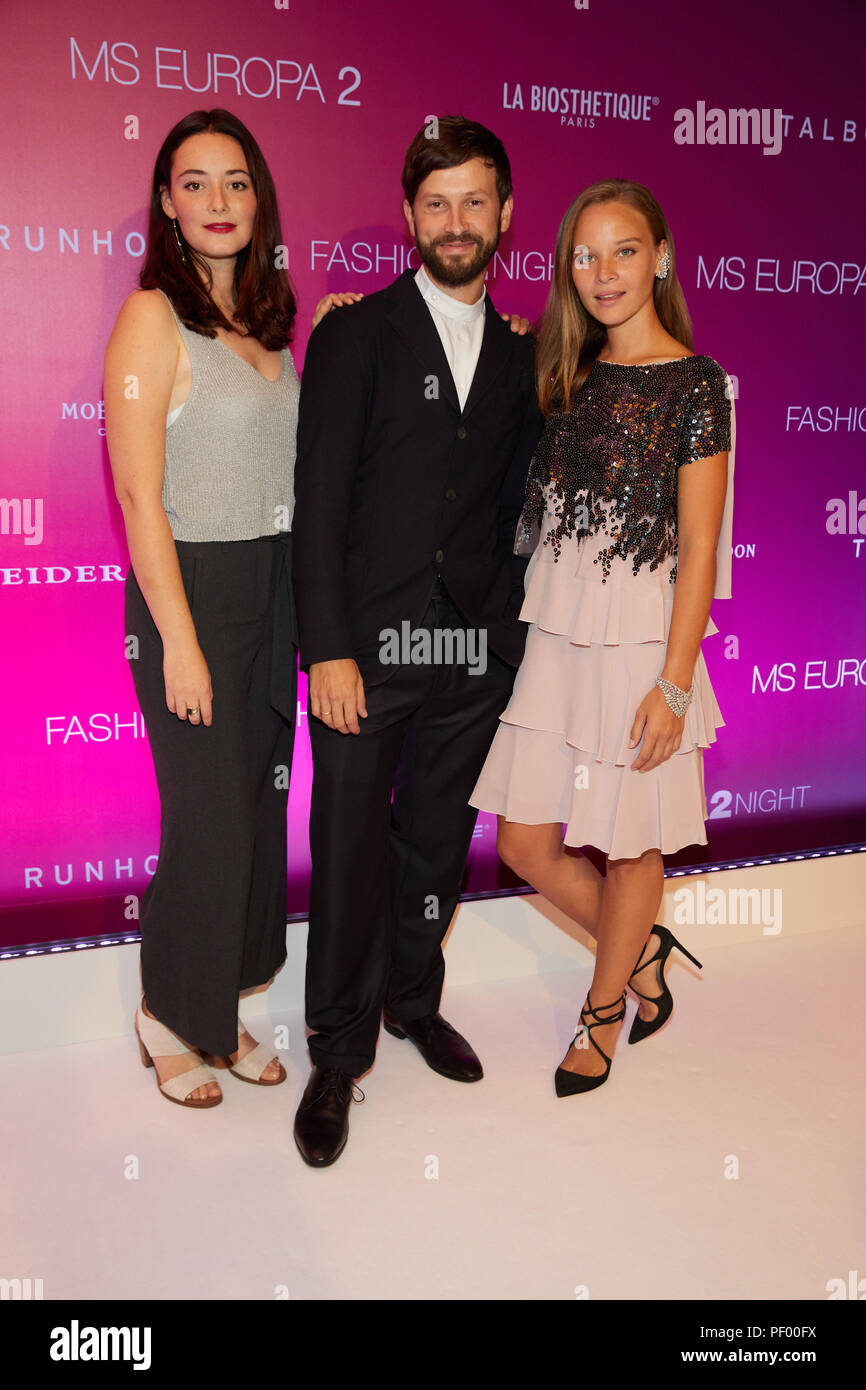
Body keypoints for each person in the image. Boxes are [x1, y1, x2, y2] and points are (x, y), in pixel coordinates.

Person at [291, 115, 544, 1165]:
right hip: (368, 654)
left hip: (469, 659)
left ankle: (410, 1000)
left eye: (473, 201)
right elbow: (316, 505)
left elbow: (516, 508)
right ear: (408, 217)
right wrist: (329, 649)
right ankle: (337, 1055)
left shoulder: (529, 353)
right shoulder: (354, 334)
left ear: (504, 215)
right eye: (435, 203)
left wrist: (504, 639)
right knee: (349, 856)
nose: (455, 221)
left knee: (434, 848)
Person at [470, 178, 735, 1096]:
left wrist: (673, 684)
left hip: (639, 648)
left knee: (631, 844)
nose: (604, 271)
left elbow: (700, 547)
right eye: (585, 254)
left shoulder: (697, 385)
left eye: (624, 250)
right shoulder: (560, 366)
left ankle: (602, 1009)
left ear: (660, 257)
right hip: (556, 634)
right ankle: (642, 948)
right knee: (524, 842)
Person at [105, 108, 313, 1108]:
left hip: (272, 593)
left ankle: (221, 1003)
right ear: (166, 201)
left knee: (258, 812)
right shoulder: (152, 316)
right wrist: (178, 642)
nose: (219, 202)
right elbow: (142, 496)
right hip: (190, 592)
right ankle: (165, 1015)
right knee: (209, 818)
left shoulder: (271, 323)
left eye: (236, 182)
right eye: (195, 182)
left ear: (258, 198)